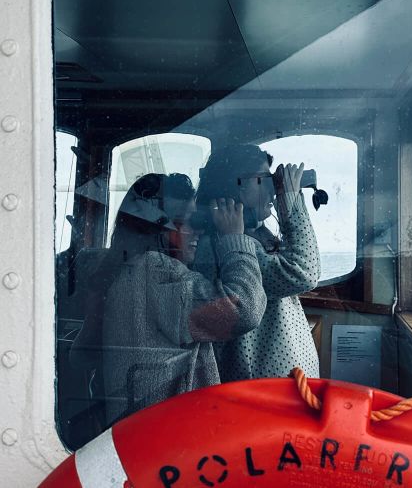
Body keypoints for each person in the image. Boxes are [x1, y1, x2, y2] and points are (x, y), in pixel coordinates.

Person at [72, 173, 265, 424]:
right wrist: (234, 239)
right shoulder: (158, 272)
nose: (197, 230)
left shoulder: (117, 268)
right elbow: (245, 307)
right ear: (156, 228)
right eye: (186, 221)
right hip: (170, 435)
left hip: (132, 429)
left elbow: (81, 355)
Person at [193, 145, 321, 381]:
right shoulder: (229, 244)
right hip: (262, 388)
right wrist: (289, 199)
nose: (273, 191)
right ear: (236, 185)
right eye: (265, 179)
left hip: (277, 385)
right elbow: (303, 271)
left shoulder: (253, 236)